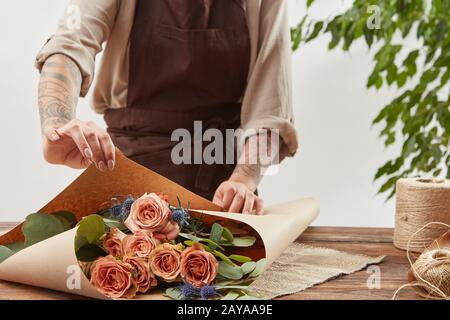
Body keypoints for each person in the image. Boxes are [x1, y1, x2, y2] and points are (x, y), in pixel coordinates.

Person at [36, 0, 298, 215]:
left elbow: (269, 112)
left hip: (223, 201)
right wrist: (57, 125)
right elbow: (69, 46)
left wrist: (243, 181)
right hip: (127, 187)